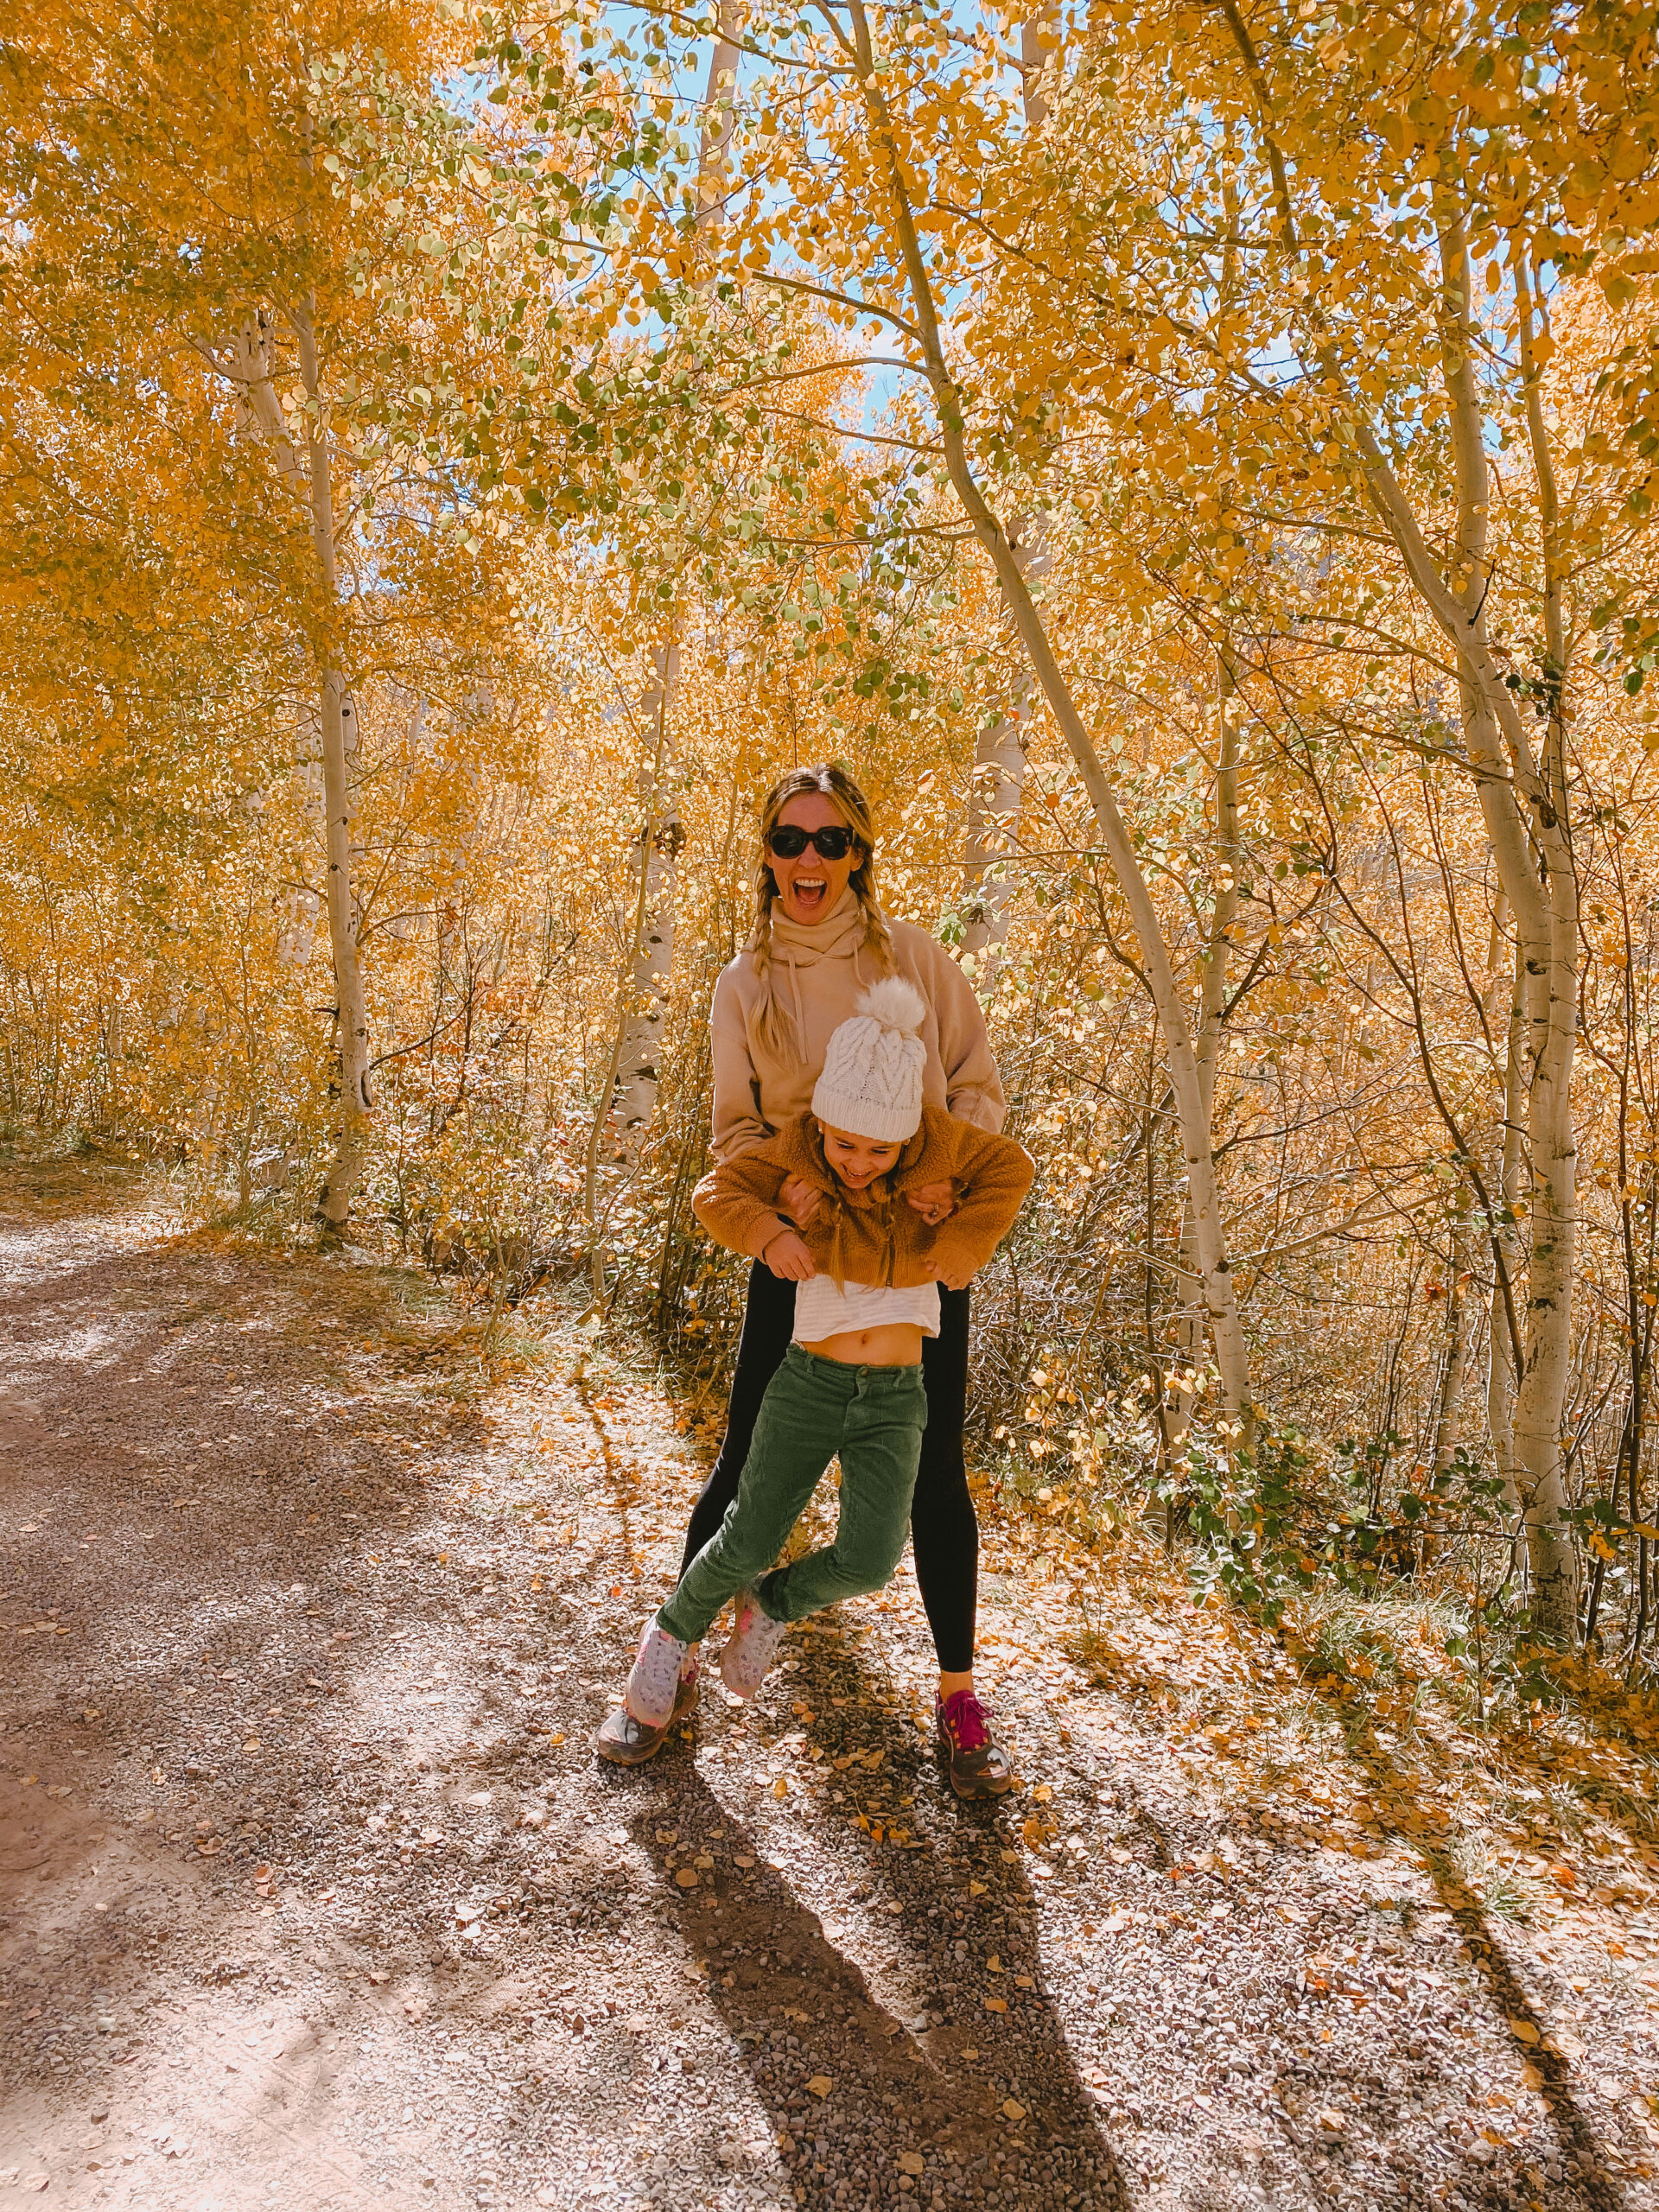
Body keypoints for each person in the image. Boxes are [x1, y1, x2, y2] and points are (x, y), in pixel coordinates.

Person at [598, 763, 1020, 1796]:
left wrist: (941, 1187)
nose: (808, 861)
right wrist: (789, 1201)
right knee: (747, 1460)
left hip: (916, 1258)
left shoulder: (916, 959)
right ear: (767, 857)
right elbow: (732, 1133)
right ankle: (672, 1662)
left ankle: (958, 1695)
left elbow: (977, 1088)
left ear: (860, 854)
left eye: (830, 842)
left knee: (934, 1477)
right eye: (789, 841)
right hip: (800, 1247)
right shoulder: (742, 983)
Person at [619, 979, 1033, 1729]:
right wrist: (773, 1228)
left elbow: (1011, 1169)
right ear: (822, 1123)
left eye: (881, 1149)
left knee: (872, 1558)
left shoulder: (937, 1148)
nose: (861, 1162)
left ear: (909, 1135)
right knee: (748, 1533)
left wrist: (964, 1240)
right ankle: (668, 1635)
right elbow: (715, 1194)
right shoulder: (800, 1153)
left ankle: (772, 1604)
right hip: (809, 1383)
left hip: (897, 1395)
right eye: (846, 1143)